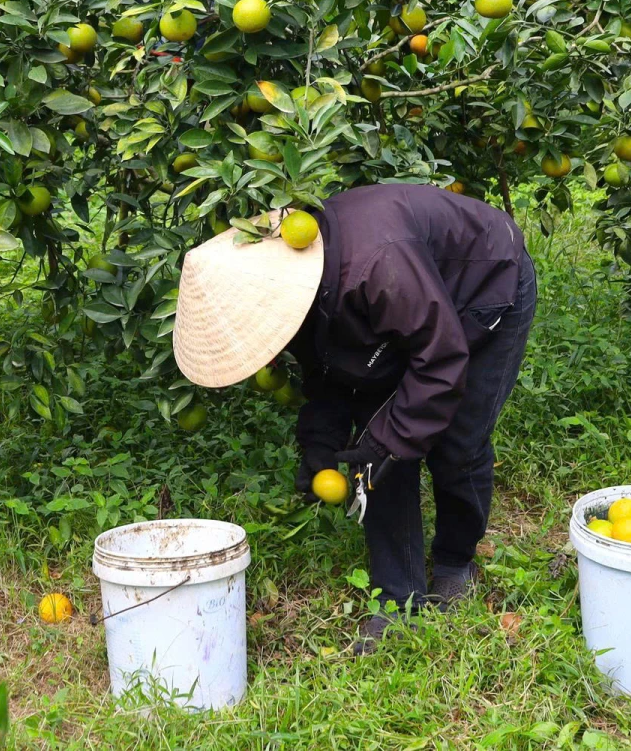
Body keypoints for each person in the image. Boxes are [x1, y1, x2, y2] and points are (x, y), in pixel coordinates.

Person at [172, 182, 535, 652]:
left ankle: (453, 563)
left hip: (485, 284)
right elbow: (329, 371)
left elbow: (441, 359)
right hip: (412, 306)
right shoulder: (292, 286)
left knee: (457, 441)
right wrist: (320, 444)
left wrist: (394, 439)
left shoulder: (377, 268)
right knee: (374, 447)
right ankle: (396, 598)